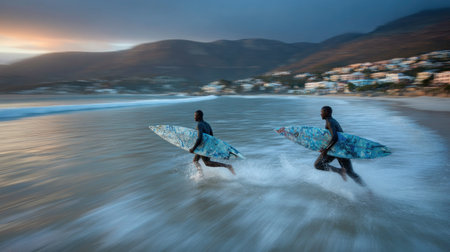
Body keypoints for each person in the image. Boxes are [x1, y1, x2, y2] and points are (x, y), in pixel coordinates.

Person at [314, 106, 365, 186]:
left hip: (335, 149)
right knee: (350, 172)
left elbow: (335, 137)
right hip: (342, 149)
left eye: (322, 112)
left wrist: (326, 149)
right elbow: (332, 137)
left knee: (318, 165)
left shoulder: (329, 122)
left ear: (326, 112)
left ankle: (340, 171)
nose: (320, 114)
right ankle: (368, 190)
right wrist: (324, 147)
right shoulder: (333, 121)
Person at [189, 110, 236, 176]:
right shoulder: (207, 124)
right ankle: (201, 174)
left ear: (199, 116)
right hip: (206, 146)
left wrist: (193, 149)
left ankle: (227, 166)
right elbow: (212, 137)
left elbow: (199, 138)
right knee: (195, 161)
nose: (194, 117)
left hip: (203, 146)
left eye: (195, 116)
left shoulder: (199, 125)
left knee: (207, 163)